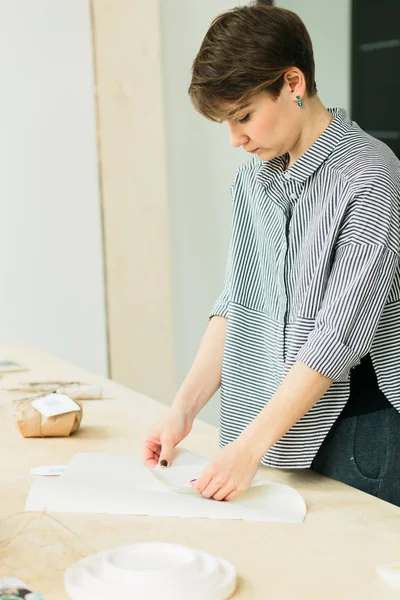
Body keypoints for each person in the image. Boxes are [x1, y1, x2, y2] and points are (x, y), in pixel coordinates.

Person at [142, 0, 400, 506]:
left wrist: (251, 446)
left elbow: (338, 335)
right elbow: (238, 301)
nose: (236, 140)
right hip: (269, 435)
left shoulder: (370, 176)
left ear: (293, 83)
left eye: (244, 117)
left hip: (359, 434)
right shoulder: (254, 179)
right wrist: (183, 409)